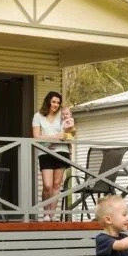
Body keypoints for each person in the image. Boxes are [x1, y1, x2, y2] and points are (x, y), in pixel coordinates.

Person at [32, 91, 73, 220]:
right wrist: (55, 137)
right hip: (45, 152)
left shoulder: (62, 115)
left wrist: (68, 133)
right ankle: (45, 213)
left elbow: (70, 132)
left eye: (58, 103)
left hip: (62, 150)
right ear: (48, 101)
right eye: (53, 102)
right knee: (47, 185)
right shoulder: (38, 116)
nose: (56, 105)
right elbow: (36, 137)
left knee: (56, 185)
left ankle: (51, 216)